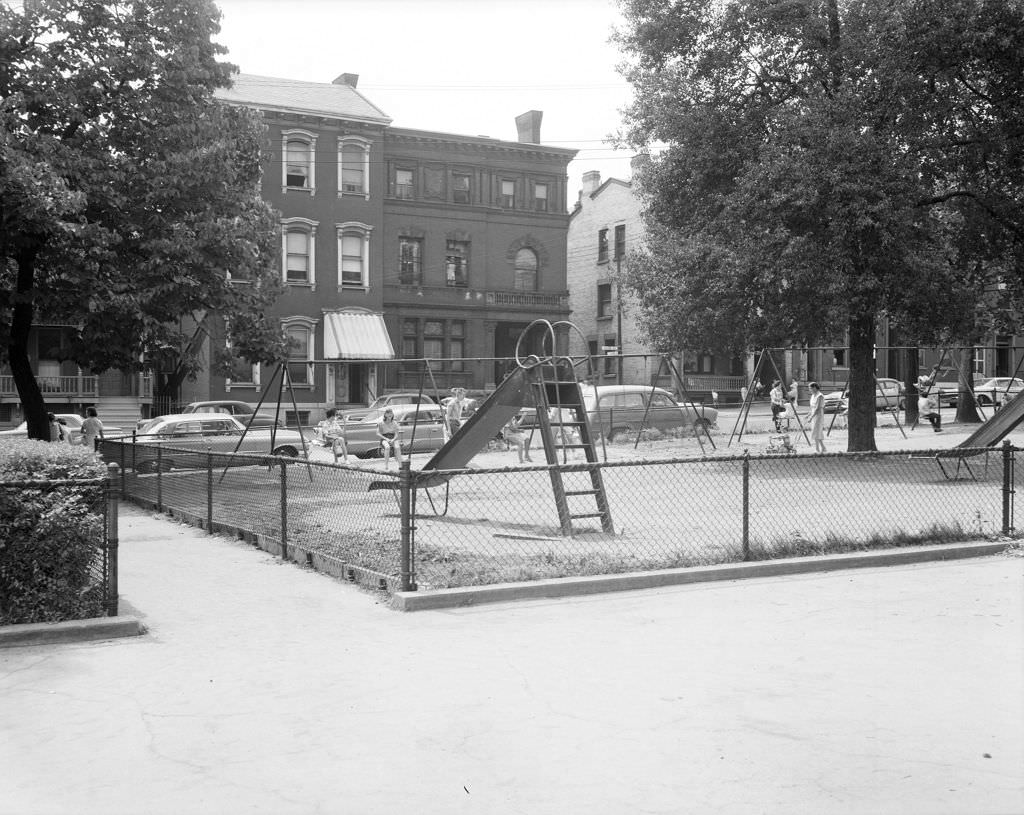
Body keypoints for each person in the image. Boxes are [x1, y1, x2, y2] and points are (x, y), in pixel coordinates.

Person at [806, 381, 826, 453]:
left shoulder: (820, 396)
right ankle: (822, 448)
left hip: (818, 415)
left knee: (816, 432)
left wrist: (811, 417)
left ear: (814, 388)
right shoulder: (813, 395)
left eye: (810, 388)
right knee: (816, 432)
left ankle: (818, 449)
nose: (809, 390)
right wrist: (808, 415)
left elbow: (817, 408)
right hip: (813, 415)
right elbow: (812, 407)